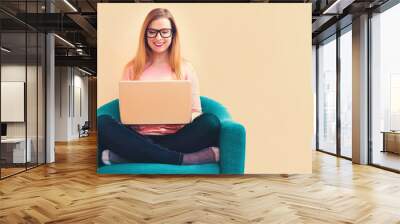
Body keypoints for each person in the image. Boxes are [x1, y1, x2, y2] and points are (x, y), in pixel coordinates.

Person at [98, 8, 221, 166]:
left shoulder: (186, 68)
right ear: (145, 34)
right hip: (139, 137)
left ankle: (129, 156)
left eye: (164, 32)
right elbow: (125, 114)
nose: (158, 38)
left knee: (211, 122)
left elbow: (196, 111)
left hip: (177, 136)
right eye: (152, 32)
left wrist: (183, 116)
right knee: (102, 122)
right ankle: (183, 159)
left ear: (172, 34)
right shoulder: (131, 68)